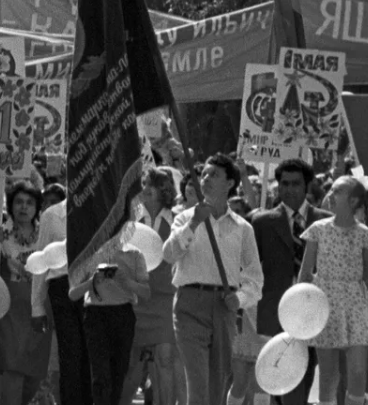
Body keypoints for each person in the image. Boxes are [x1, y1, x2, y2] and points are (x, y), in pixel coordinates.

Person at [162, 154, 263, 405]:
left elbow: (254, 278)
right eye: (203, 174)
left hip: (224, 308)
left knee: (217, 384)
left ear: (230, 183)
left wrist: (239, 299)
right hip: (189, 305)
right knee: (198, 383)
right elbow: (169, 254)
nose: (205, 179)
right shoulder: (184, 218)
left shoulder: (243, 228)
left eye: (213, 175)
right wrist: (195, 222)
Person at [250, 157, 330, 405]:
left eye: (296, 184)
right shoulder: (262, 221)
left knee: (305, 374)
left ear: (307, 186)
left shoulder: (326, 221)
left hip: (313, 313)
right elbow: (251, 269)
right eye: (284, 183)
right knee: (276, 375)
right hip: (275, 312)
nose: (289, 189)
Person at [298, 174, 368, 405]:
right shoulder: (318, 229)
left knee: (357, 371)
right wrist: (300, 309)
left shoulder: (365, 234)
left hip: (355, 303)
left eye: (337, 192)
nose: (330, 196)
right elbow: (305, 274)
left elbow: (367, 274)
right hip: (324, 304)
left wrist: (350, 291)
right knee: (328, 373)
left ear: (354, 201)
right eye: (331, 190)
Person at [0, 181, 53, 405]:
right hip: (9, 307)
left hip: (39, 306)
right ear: (10, 205)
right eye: (19, 202)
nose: (23, 207)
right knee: (13, 368)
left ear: (37, 207)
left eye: (29, 203)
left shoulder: (46, 234)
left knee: (34, 372)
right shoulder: (0, 231)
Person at [120, 167, 184, 405]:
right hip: (134, 297)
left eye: (151, 185)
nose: (145, 189)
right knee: (131, 362)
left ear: (164, 190)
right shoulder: (131, 217)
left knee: (165, 358)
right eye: (144, 184)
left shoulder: (178, 218)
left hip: (165, 298)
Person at [69, 242, 149, 405]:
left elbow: (146, 292)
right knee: (100, 374)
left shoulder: (134, 253)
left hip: (123, 314)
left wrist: (126, 281)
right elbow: (73, 294)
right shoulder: (88, 253)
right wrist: (92, 282)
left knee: (119, 372)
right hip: (95, 315)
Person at [31, 194, 90, 405]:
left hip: (95, 286)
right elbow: (42, 259)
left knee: (92, 355)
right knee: (70, 354)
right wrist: (36, 306)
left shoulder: (102, 207)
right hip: (62, 287)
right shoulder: (52, 215)